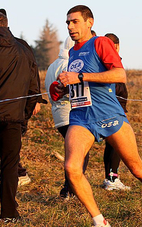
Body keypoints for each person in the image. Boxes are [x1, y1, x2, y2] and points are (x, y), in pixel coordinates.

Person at [55, 5, 142, 227]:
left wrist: (80, 77)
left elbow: (119, 75)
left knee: (137, 168)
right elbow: (76, 85)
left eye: (75, 21)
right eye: (67, 22)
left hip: (109, 115)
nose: (70, 27)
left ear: (89, 22)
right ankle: (100, 223)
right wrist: (61, 88)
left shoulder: (100, 44)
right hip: (81, 118)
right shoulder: (72, 54)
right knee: (72, 168)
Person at [0, 10, 42, 222]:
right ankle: (9, 212)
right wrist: (23, 115)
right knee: (10, 166)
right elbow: (34, 87)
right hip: (14, 118)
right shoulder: (23, 49)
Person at [45, 36, 90, 200]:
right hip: (71, 114)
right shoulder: (70, 65)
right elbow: (75, 93)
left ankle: (69, 189)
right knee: (81, 154)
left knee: (74, 154)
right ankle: (71, 190)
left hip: (58, 115)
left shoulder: (52, 66)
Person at [102, 33, 130, 191]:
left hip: (116, 108)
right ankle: (112, 178)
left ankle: (109, 177)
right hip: (113, 110)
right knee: (118, 144)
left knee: (112, 145)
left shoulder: (113, 64)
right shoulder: (110, 65)